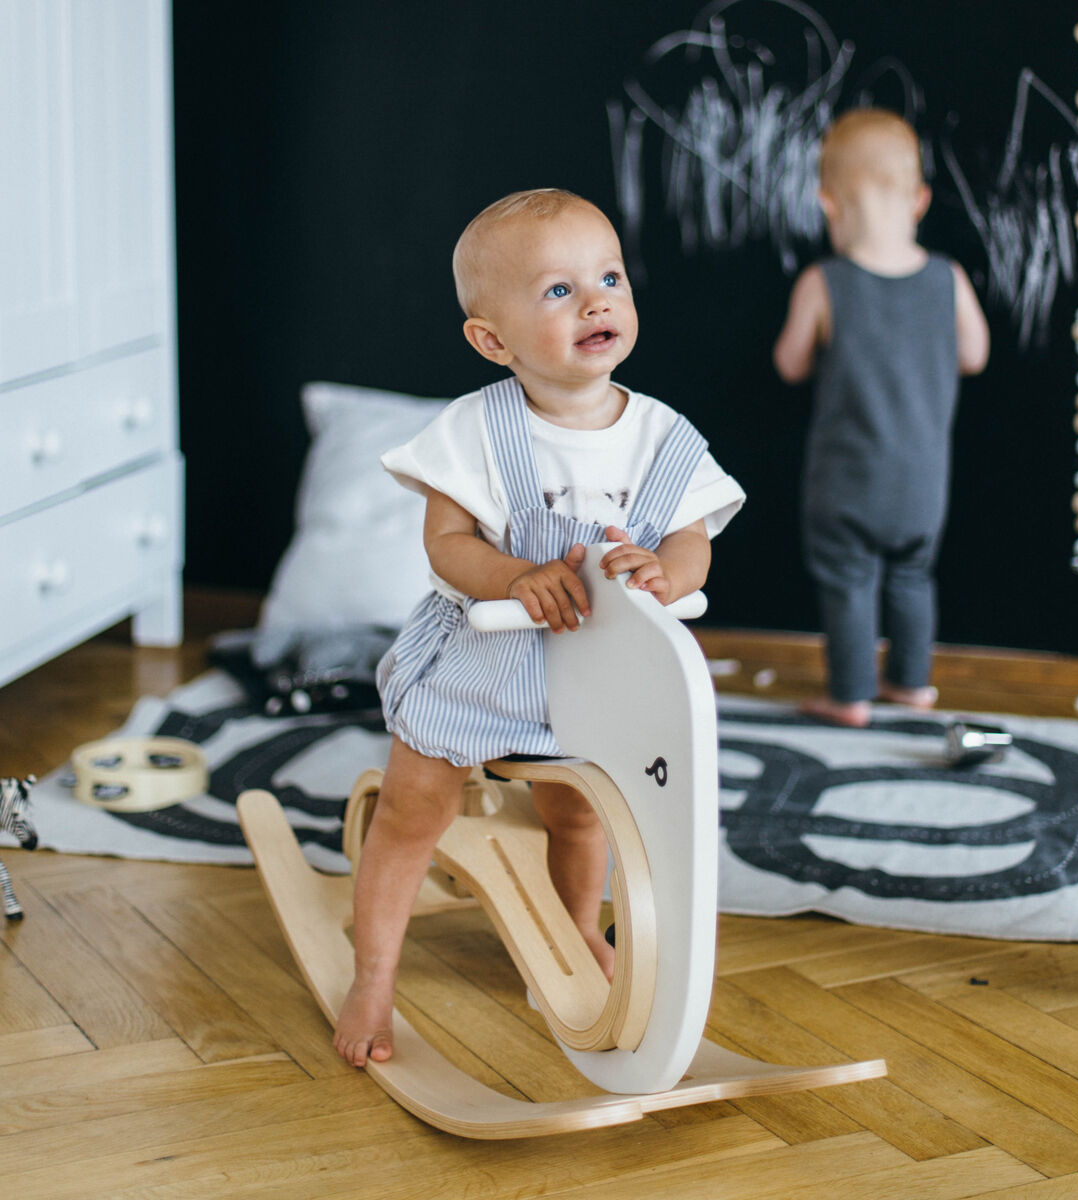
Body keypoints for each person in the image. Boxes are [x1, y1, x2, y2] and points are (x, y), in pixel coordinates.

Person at [334, 189, 745, 1067]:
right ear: (494, 340)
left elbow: (693, 534)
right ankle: (372, 975)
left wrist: (671, 572)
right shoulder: (479, 429)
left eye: (608, 278)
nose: (596, 301)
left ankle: (566, 934)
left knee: (582, 813)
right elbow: (445, 543)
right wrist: (515, 576)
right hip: (481, 657)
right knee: (414, 811)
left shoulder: (663, 436)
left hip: (594, 664)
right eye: (558, 291)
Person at [773, 108, 990, 728]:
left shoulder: (823, 281)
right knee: (913, 577)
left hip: (844, 483)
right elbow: (976, 354)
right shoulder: (948, 279)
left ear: (828, 203)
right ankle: (913, 683)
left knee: (848, 581)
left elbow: (789, 364)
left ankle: (849, 695)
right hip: (923, 482)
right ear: (920, 200)